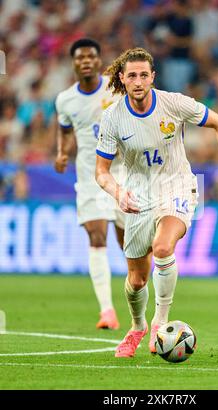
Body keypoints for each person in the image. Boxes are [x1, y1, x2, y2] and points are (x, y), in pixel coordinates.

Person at [95, 47, 218, 357]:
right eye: (132, 76)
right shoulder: (113, 118)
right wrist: (118, 192)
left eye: (144, 75)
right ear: (122, 79)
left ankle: (160, 322)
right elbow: (101, 172)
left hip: (178, 187)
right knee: (136, 280)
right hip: (137, 195)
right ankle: (138, 326)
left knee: (163, 247)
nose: (139, 81)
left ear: (153, 77)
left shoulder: (173, 104)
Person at [55, 38, 125, 330]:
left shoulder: (116, 87)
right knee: (97, 237)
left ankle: (145, 304)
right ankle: (107, 311)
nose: (85, 61)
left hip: (124, 175)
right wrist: (61, 152)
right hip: (90, 177)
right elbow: (64, 129)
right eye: (80, 57)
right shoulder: (65, 100)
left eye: (91, 56)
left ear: (99, 61)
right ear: (74, 63)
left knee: (131, 245)